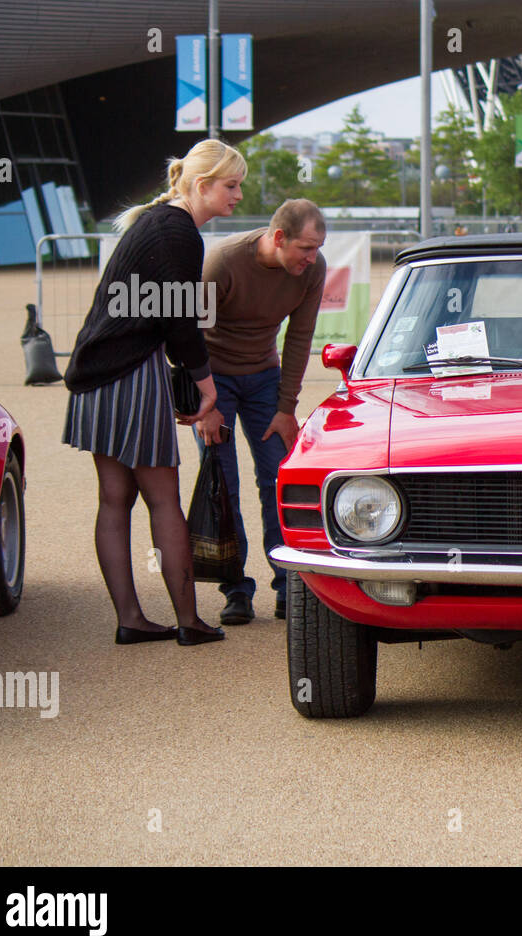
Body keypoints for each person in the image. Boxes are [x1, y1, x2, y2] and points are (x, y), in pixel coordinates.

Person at [62, 139, 245, 646]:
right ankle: (188, 620)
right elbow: (180, 321)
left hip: (96, 371)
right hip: (131, 373)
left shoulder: (157, 221)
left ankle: (131, 618)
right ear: (203, 185)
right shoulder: (177, 230)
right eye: (231, 187)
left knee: (114, 499)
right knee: (163, 500)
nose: (237, 196)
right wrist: (207, 388)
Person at [197, 198, 327, 624]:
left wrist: (286, 407)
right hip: (214, 378)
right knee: (223, 483)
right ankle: (235, 588)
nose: (312, 258)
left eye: (317, 248)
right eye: (305, 248)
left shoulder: (313, 269)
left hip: (264, 380)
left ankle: (287, 583)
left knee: (277, 480)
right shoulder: (223, 263)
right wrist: (204, 407)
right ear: (277, 238)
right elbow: (186, 336)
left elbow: (300, 336)